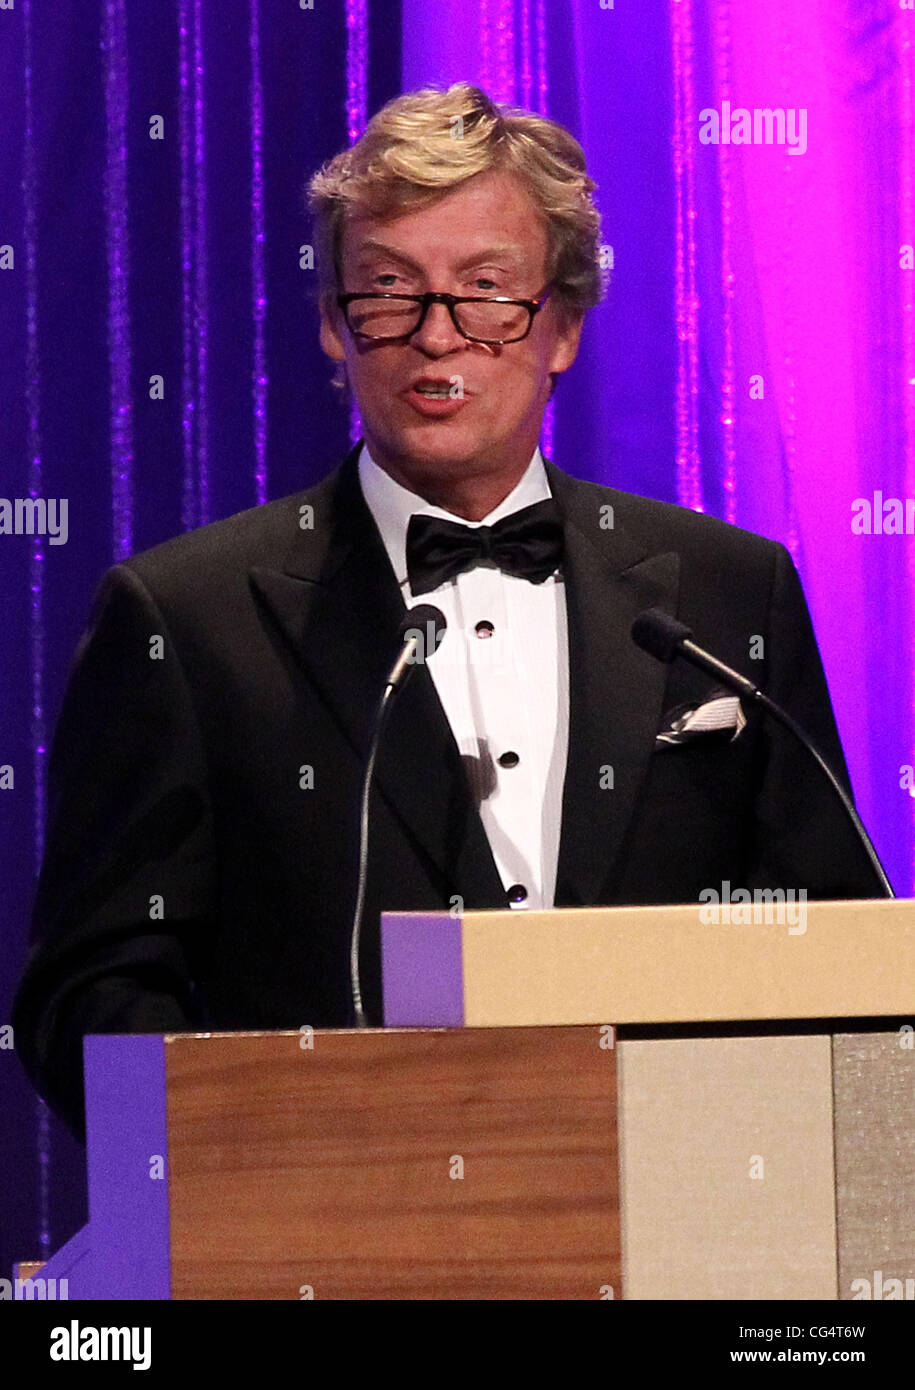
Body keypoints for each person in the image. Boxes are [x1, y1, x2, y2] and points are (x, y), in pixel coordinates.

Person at [13, 83, 883, 1143]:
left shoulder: (728, 590)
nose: (439, 336)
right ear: (336, 325)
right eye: (389, 291)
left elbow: (830, 943)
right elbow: (92, 994)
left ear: (560, 325)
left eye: (486, 290)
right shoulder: (187, 619)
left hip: (680, 1220)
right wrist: (253, 1167)